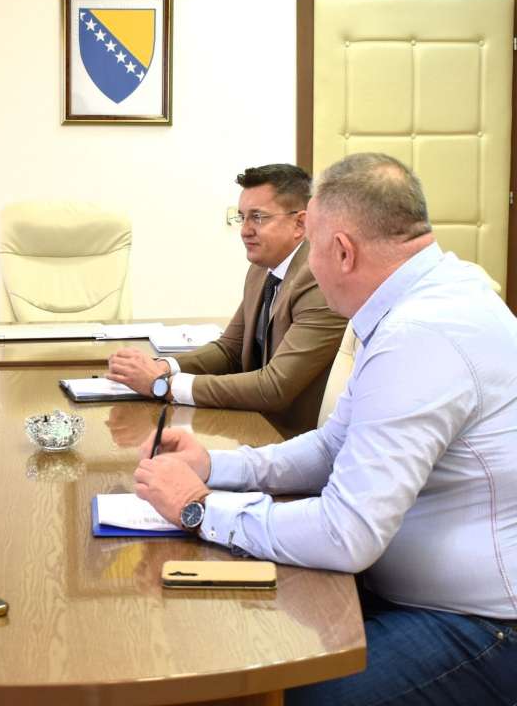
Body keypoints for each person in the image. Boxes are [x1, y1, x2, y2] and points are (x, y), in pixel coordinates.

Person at [133, 153, 517, 705]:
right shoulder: (424, 297)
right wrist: (215, 465)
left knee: (279, 693)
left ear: (341, 251)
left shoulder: (423, 333)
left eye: (310, 246)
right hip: (404, 589)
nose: (305, 266)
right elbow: (336, 444)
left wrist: (199, 509)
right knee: (241, 639)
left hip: (479, 624)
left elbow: (346, 532)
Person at [107, 164, 347, 436]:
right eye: (242, 217)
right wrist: (164, 366)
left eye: (258, 217)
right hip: (254, 425)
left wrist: (163, 385)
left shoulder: (318, 279)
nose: (245, 230)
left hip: (293, 439)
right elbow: (229, 350)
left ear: (300, 223)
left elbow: (274, 387)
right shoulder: (262, 269)